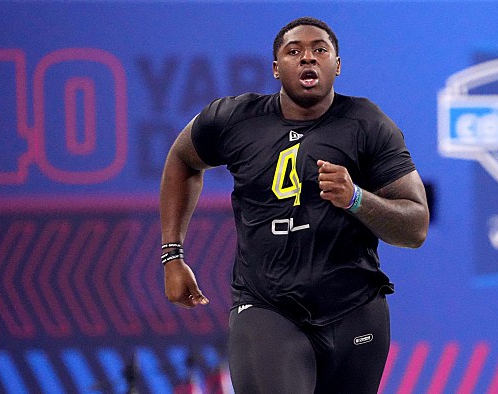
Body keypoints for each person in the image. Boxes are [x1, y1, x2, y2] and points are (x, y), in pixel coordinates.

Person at [159, 16, 429, 394]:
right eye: (294, 51)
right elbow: (182, 158)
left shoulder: (368, 124)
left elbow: (415, 227)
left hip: (355, 309)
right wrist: (172, 255)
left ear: (337, 65)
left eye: (320, 50)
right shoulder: (235, 118)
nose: (308, 59)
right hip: (267, 306)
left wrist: (356, 199)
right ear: (275, 68)